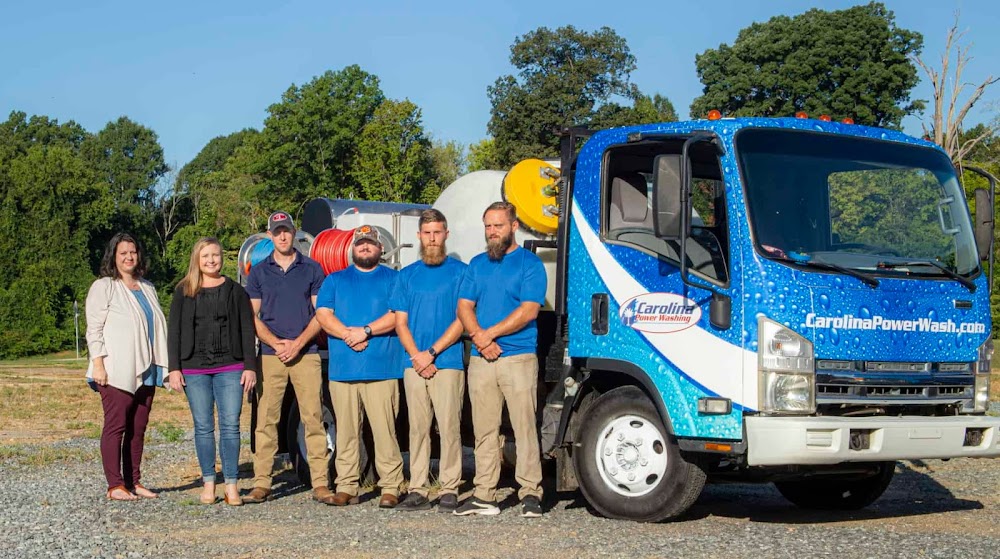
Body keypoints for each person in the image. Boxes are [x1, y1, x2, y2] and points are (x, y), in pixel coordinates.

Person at [455, 201, 546, 518]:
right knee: (484, 430)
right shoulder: (477, 264)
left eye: (498, 226)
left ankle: (531, 493)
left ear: (514, 226)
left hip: (518, 357)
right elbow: (464, 306)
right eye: (488, 226)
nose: (492, 232)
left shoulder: (529, 264)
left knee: (524, 428)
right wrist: (480, 336)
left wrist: (488, 334)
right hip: (482, 360)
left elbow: (529, 310)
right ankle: (485, 495)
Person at [243, 211, 333, 504]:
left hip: (305, 353)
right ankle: (262, 483)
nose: (282, 235)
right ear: (270, 235)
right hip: (270, 354)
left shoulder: (312, 268)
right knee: (267, 420)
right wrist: (276, 342)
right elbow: (251, 316)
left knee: (313, 418)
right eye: (277, 231)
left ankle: (320, 483)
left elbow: (321, 314)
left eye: (287, 230)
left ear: (294, 232)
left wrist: (298, 343)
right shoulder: (258, 272)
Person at [315, 225, 405, 508]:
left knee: (384, 432)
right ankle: (346, 486)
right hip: (344, 371)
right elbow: (323, 314)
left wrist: (365, 331)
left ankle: (391, 486)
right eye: (360, 243)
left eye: (370, 243)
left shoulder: (394, 279)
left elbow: (396, 316)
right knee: (347, 433)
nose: (365, 247)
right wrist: (347, 334)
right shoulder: (335, 280)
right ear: (352, 248)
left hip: (383, 369)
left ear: (380, 248)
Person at [167, 237, 257, 506]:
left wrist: (250, 367)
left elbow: (247, 329)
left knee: (230, 426)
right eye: (205, 256)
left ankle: (231, 484)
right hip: (194, 368)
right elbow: (174, 332)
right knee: (203, 427)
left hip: (231, 366)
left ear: (221, 258)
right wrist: (174, 369)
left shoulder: (235, 291)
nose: (211, 260)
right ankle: (209, 483)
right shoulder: (183, 291)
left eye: (215, 255)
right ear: (197, 259)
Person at [389, 210, 467, 513]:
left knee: (449, 427)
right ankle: (418, 488)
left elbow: (463, 319)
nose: (432, 239)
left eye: (437, 232)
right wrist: (417, 357)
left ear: (446, 234)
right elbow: (400, 323)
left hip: (447, 362)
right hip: (414, 364)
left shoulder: (461, 272)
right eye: (427, 233)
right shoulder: (406, 275)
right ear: (419, 237)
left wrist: (432, 353)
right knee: (417, 428)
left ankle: (449, 488)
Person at [85, 232, 168, 501]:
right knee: (116, 426)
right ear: (114, 256)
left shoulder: (147, 287)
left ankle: (134, 481)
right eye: (123, 253)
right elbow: (94, 329)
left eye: (132, 252)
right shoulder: (105, 286)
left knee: (138, 428)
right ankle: (115, 485)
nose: (129, 257)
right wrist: (98, 363)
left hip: (147, 368)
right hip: (116, 369)